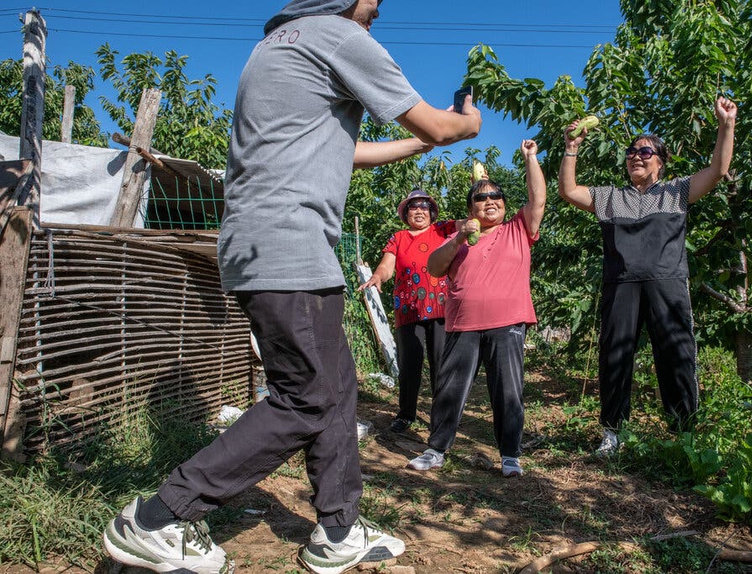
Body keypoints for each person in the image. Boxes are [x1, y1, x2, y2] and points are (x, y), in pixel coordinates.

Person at [101, 1, 481, 573]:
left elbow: (345, 152)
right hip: (289, 238)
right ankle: (160, 516)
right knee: (305, 395)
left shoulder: (276, 48)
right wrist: (461, 125)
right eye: (373, 7)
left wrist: (421, 145)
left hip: (272, 238)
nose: (375, 15)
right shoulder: (338, 35)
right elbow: (438, 123)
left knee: (336, 386)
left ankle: (339, 530)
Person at [558, 97, 737, 456]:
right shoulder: (611, 197)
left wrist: (726, 125)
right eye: (631, 151)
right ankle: (613, 431)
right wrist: (571, 150)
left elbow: (718, 170)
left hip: (667, 282)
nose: (636, 156)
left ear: (661, 161)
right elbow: (568, 191)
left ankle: (684, 430)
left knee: (675, 352)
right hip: (621, 283)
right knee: (615, 356)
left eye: (645, 151)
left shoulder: (677, 192)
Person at [407, 139, 546, 478]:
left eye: (495, 196)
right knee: (451, 387)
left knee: (508, 388)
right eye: (481, 198)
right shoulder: (458, 235)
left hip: (508, 321)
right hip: (463, 323)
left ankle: (510, 454)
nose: (489, 201)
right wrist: (458, 239)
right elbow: (436, 268)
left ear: (503, 203)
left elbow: (538, 198)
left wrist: (530, 158)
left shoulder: (518, 229)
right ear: (471, 208)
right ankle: (436, 448)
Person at [359, 189, 459, 434]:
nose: (419, 210)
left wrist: (480, 188)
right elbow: (387, 266)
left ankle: (441, 417)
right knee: (409, 365)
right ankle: (406, 415)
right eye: (413, 207)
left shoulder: (443, 230)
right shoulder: (399, 238)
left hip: (440, 309)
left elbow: (471, 223)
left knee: (441, 365)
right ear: (405, 213)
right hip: (408, 309)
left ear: (431, 211)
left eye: (424, 206)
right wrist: (377, 276)